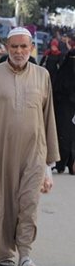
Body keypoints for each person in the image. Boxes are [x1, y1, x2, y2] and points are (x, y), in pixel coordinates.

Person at [0, 27, 59, 266]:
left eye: (24, 47)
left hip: (34, 150)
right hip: (1, 150)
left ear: (31, 48)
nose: (19, 51)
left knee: (29, 203)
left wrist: (49, 162)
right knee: (3, 203)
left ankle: (25, 254)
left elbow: (48, 116)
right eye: (14, 47)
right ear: (6, 48)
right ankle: (2, 250)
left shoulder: (43, 75)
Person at [52, 35, 75, 174]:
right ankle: (60, 163)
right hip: (65, 107)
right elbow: (57, 89)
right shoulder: (64, 73)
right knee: (64, 135)